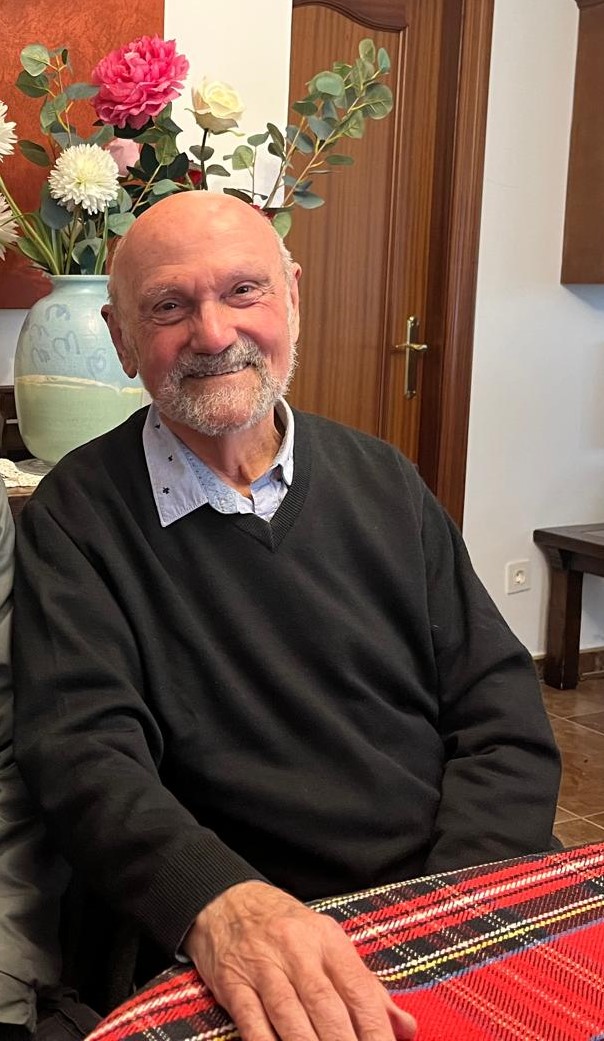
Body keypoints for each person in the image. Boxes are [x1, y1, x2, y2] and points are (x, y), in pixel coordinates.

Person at [12, 192, 560, 1041]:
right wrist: (219, 902)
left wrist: (446, 904)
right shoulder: (76, 516)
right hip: (244, 930)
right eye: (168, 306)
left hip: (445, 893)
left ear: (292, 297)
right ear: (122, 339)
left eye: (243, 291)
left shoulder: (383, 479)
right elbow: (84, 757)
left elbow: (502, 712)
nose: (213, 333)